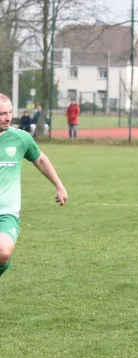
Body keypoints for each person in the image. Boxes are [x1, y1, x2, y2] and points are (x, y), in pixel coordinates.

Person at [0, 93, 67, 278]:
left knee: (3, 253)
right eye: (1, 113)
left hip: (6, 212)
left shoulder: (20, 138)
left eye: (9, 112)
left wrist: (59, 186)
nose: (7, 117)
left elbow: (40, 160)